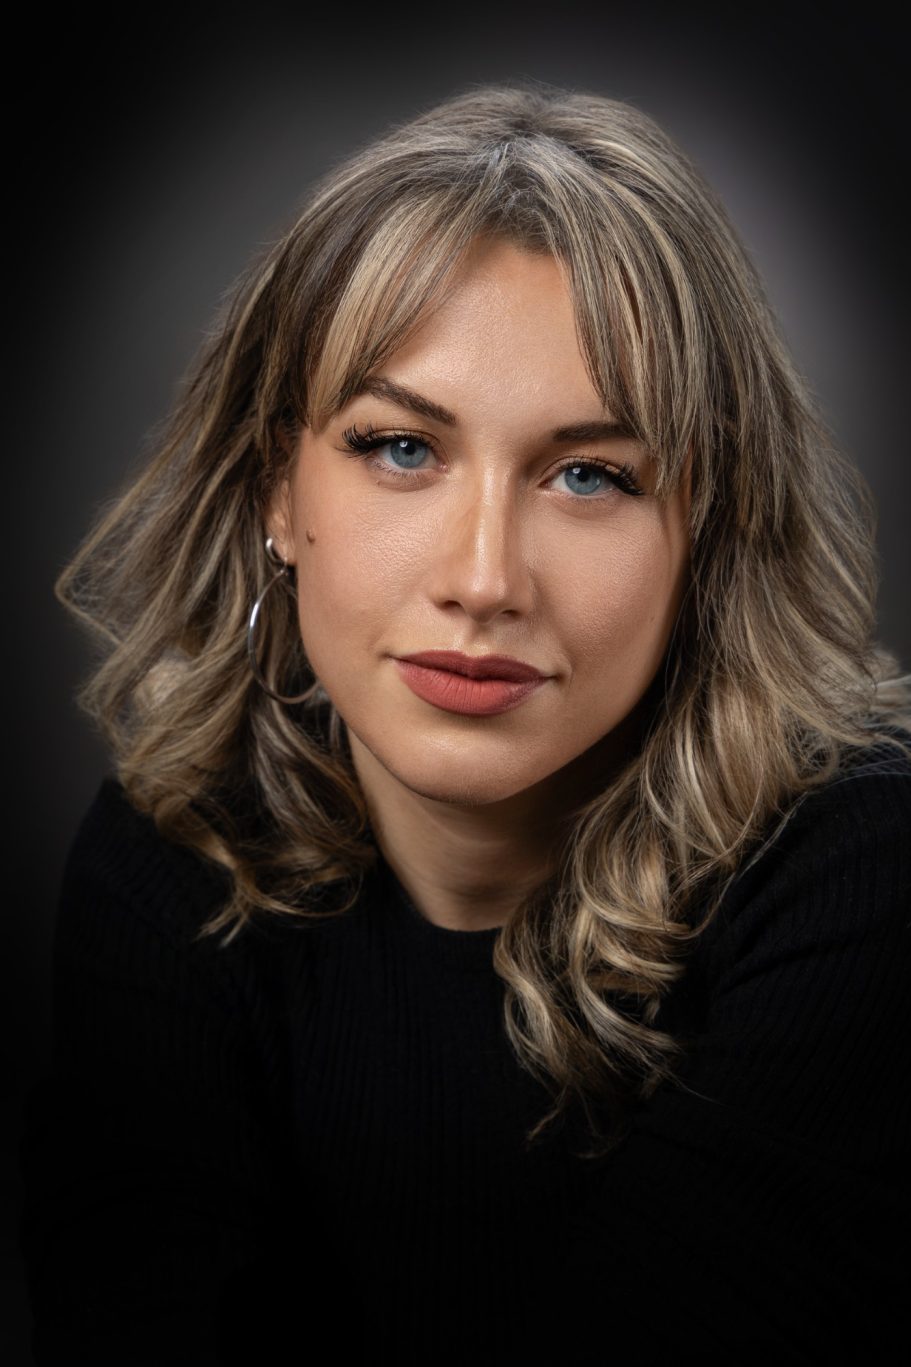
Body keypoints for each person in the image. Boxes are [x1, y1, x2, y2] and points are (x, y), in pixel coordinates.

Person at [19, 81, 911, 1364]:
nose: (484, 577)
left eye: (588, 474)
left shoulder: (863, 863)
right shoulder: (170, 865)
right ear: (278, 487)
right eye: (400, 449)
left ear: (701, 527)